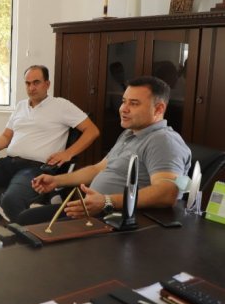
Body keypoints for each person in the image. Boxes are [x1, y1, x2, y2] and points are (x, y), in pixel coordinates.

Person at [30, 76, 191, 224]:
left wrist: (107, 201)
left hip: (118, 221)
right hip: (97, 212)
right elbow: (97, 169)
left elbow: (167, 193)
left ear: (159, 109)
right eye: (124, 101)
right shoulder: (129, 133)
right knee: (27, 219)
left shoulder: (162, 141)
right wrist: (56, 181)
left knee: (31, 227)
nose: (123, 109)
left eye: (134, 103)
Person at [0, 65, 99, 225]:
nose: (31, 88)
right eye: (28, 83)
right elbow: (6, 136)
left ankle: (23, 235)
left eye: (36, 82)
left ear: (47, 84)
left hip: (36, 169)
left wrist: (68, 153)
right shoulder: (21, 106)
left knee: (11, 201)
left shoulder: (61, 106)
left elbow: (92, 131)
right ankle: (2, 227)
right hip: (8, 163)